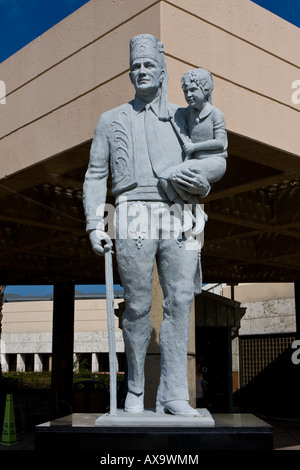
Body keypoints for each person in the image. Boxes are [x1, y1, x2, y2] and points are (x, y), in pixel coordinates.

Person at [83, 34, 214, 417]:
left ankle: (175, 393)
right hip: (132, 212)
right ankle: (136, 389)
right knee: (137, 305)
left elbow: (208, 165)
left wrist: (203, 184)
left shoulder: (185, 118)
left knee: (181, 301)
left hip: (180, 214)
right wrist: (95, 223)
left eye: (148, 66)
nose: (141, 72)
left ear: (162, 71)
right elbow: (95, 175)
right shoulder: (110, 120)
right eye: (135, 67)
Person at [159, 68, 228, 235]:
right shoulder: (186, 112)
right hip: (195, 162)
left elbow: (221, 142)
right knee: (163, 177)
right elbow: (168, 110)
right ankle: (190, 211)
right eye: (185, 91)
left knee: (179, 176)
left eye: (193, 90)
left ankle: (194, 211)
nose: (188, 94)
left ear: (205, 89)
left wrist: (194, 147)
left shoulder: (215, 114)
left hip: (214, 162)